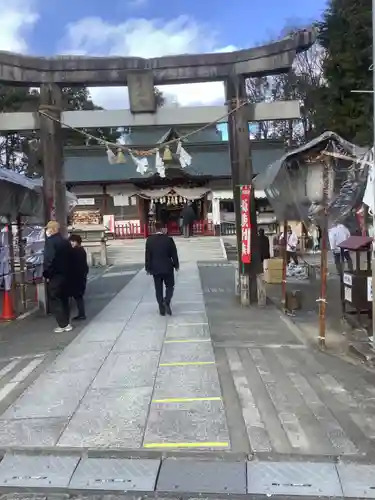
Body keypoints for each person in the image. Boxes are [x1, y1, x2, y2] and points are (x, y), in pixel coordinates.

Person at [43, 221, 72, 333]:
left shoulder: (50, 242)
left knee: (55, 298)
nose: (47, 231)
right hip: (66, 274)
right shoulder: (65, 242)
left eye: (48, 229)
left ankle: (62, 324)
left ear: (53, 229)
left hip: (55, 275)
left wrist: (46, 273)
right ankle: (67, 322)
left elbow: (49, 260)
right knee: (64, 298)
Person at [145, 221, 179, 316]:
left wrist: (148, 268)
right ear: (163, 228)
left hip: (155, 268)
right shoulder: (169, 240)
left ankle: (161, 307)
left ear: (154, 229)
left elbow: (148, 256)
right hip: (167, 267)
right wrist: (176, 265)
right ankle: (166, 301)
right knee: (170, 286)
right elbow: (174, 254)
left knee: (158, 288)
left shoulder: (150, 240)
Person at [69, 234, 88, 320]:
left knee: (78, 296)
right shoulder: (81, 250)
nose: (71, 243)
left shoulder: (76, 251)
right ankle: (81, 313)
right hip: (81, 277)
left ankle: (81, 314)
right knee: (78, 296)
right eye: (71, 241)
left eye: (73, 241)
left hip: (77, 277)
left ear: (77, 242)